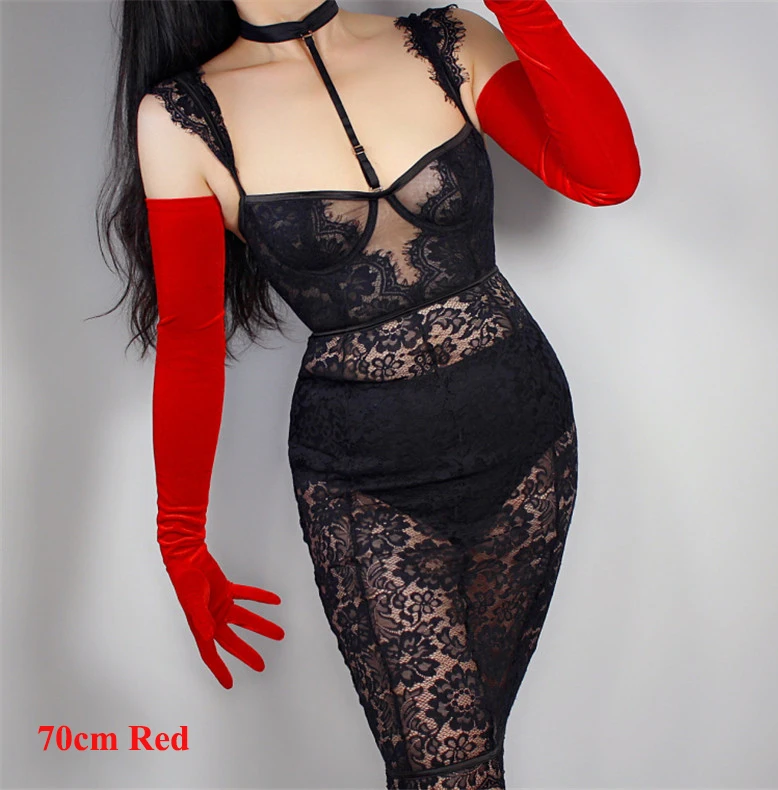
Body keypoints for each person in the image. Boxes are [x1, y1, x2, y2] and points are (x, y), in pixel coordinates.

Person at [96, 1, 640, 787]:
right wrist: (179, 537)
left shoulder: (449, 41)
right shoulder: (182, 120)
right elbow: (191, 338)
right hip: (367, 485)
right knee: (447, 773)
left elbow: (605, 175)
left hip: (527, 446)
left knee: (472, 762)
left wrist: (520, 7)